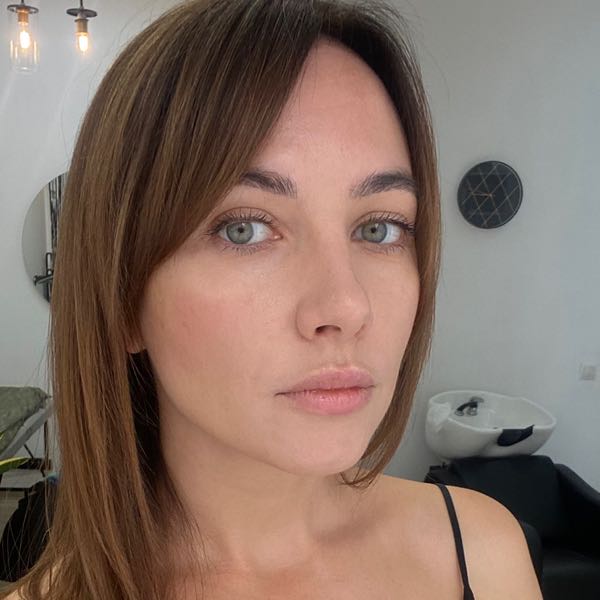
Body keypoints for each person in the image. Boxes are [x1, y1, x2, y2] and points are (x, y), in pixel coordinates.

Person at [1, 0, 543, 598]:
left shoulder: (481, 551)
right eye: (245, 229)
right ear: (125, 298)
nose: (347, 306)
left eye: (379, 227)